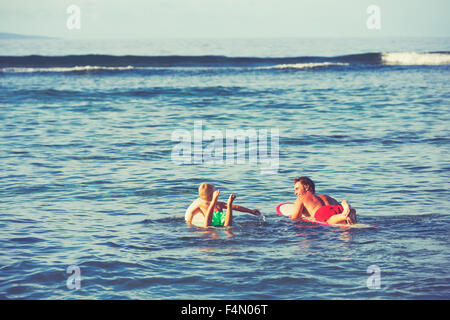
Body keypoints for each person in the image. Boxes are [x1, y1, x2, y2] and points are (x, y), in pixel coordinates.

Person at [185, 183, 261, 227]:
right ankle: (229, 203)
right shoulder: (219, 204)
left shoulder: (201, 205)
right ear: (212, 195)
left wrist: (189, 223)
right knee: (227, 222)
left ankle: (228, 204)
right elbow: (236, 207)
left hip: (210, 222)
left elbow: (191, 213)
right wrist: (251, 211)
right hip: (222, 220)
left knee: (206, 225)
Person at [291, 177, 357, 224]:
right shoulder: (326, 197)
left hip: (322, 212)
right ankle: (348, 210)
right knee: (340, 216)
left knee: (329, 220)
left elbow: (295, 218)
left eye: (297, 189)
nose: (295, 193)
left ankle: (342, 217)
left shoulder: (301, 198)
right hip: (339, 208)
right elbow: (335, 206)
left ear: (306, 187)